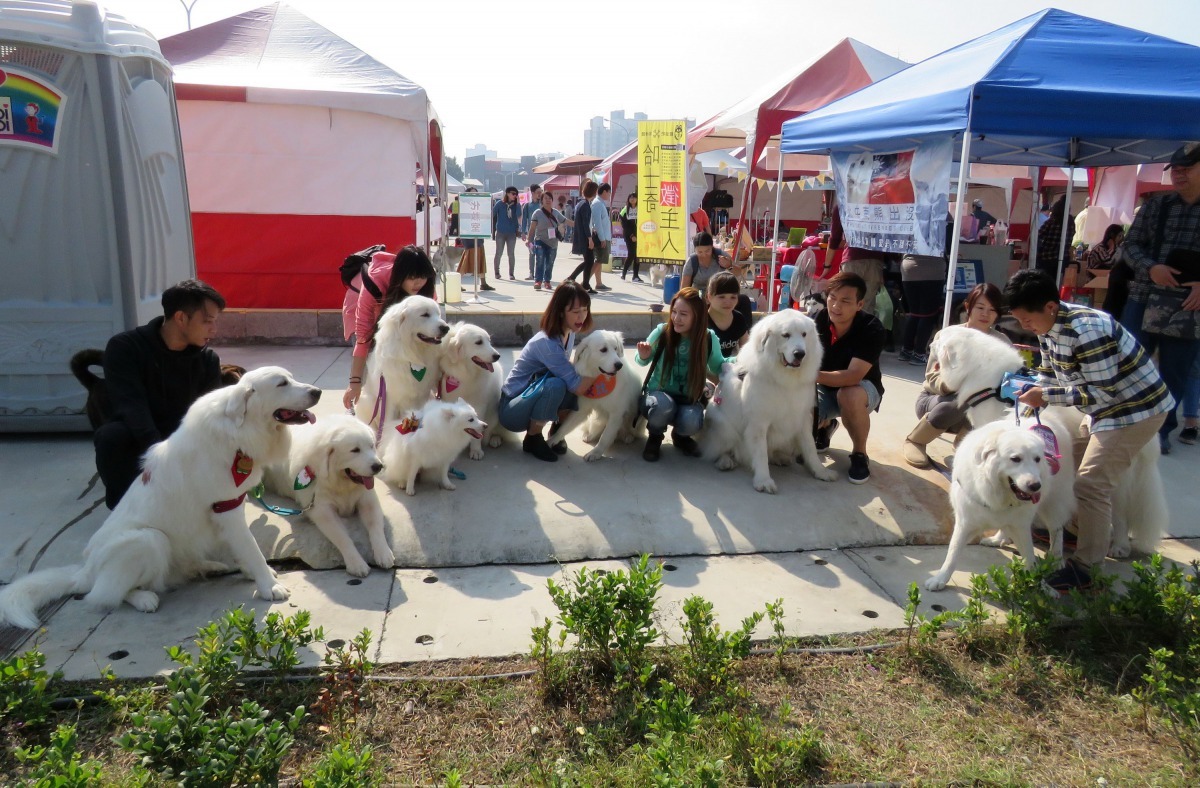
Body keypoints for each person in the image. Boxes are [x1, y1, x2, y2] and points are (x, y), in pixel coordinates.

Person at [1004, 269, 1173, 592]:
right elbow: (1048, 373)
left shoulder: (1087, 330)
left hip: (1134, 411)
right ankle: (1081, 530)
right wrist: (1031, 404)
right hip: (1102, 409)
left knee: (1091, 484)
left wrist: (1046, 396)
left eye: (1028, 320)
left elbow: (1102, 393)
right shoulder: (1048, 326)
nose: (1026, 328)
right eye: (1021, 321)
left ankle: (1087, 568)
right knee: (1072, 462)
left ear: (1051, 307)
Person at [94, 280, 226, 509]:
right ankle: (127, 509)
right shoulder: (125, 348)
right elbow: (130, 406)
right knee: (110, 437)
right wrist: (157, 455)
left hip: (184, 437)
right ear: (181, 318)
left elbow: (209, 416)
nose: (214, 330)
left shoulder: (207, 360)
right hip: (141, 433)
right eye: (207, 322)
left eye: (215, 322)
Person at [1118, 142, 1200, 454]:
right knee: (1128, 365)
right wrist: (1150, 268)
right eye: (1175, 170)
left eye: (1187, 169)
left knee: (1174, 375)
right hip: (1144, 296)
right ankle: (1122, 426)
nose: (1179, 175)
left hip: (1189, 306)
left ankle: (1159, 433)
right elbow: (1131, 244)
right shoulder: (1156, 206)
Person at [902, 283, 1011, 468]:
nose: (986, 314)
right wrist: (959, 381)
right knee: (965, 398)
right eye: (980, 307)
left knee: (995, 402)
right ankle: (916, 440)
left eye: (992, 310)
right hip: (936, 402)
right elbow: (932, 378)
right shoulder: (949, 336)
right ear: (968, 307)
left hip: (976, 408)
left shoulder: (1002, 342)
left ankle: (965, 447)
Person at [498, 282, 597, 462]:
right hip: (512, 409)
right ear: (560, 312)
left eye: (585, 309)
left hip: (531, 394)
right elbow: (578, 387)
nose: (581, 316)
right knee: (558, 384)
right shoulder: (547, 343)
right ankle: (533, 438)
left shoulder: (569, 332)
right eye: (575, 312)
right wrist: (602, 367)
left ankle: (557, 431)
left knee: (569, 375)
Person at [635, 287, 727, 461]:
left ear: (697, 316)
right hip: (658, 395)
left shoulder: (708, 338)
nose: (676, 318)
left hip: (687, 399)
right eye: (674, 312)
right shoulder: (662, 332)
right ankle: (655, 436)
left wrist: (743, 360)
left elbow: (718, 365)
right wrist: (643, 355)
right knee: (663, 405)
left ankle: (681, 436)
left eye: (683, 314)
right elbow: (641, 360)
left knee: (692, 420)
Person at [812, 271, 886, 484]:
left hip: (862, 389)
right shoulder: (818, 320)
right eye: (832, 298)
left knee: (849, 396)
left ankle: (860, 453)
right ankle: (825, 426)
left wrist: (810, 376)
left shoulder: (872, 328)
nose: (836, 306)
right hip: (824, 386)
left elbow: (853, 376)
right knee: (801, 413)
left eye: (845, 301)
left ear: (860, 304)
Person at [343, 245, 438, 410]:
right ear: (400, 275)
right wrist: (355, 382)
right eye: (412, 278)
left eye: (423, 277)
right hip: (365, 311)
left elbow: (433, 331)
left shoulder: (425, 288)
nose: (418, 283)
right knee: (371, 370)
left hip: (396, 313)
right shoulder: (374, 282)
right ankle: (360, 411)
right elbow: (363, 337)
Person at [898, 214, 953, 365]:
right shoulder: (943, 215)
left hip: (908, 267)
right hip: (932, 268)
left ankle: (906, 350)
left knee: (914, 312)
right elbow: (950, 243)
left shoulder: (910, 212)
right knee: (928, 314)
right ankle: (919, 353)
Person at [829, 204, 885, 315]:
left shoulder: (843, 204)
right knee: (866, 307)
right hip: (875, 260)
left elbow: (834, 238)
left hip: (852, 259)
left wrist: (827, 265)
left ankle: (848, 331)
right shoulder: (881, 203)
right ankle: (863, 331)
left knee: (845, 302)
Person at [526, 190, 572, 291]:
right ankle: (538, 281)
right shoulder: (537, 213)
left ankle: (547, 281)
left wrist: (579, 225)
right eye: (545, 198)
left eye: (549, 198)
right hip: (540, 240)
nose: (548, 200)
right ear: (541, 200)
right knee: (540, 261)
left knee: (550, 263)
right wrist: (528, 240)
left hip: (553, 243)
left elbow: (566, 221)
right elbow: (532, 228)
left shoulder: (556, 212)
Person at [706, 272, 750, 357]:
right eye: (721, 297)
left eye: (733, 297)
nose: (728, 302)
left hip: (728, 368)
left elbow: (747, 351)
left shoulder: (738, 319)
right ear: (709, 297)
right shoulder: (700, 320)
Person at [567, 181, 599, 293]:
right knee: (589, 261)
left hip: (580, 236)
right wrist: (590, 239)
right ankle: (572, 277)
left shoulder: (580, 203)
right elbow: (586, 223)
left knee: (589, 261)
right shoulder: (585, 205)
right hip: (585, 238)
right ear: (594, 192)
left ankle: (585, 283)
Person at [1035, 194, 1076, 280]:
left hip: (1047, 258)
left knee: (1045, 282)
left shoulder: (1051, 221)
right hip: (1063, 258)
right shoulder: (1070, 221)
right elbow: (1071, 236)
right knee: (1058, 282)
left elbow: (1038, 234)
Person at [492, 186, 521, 280]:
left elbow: (519, 215)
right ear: (507, 193)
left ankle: (511, 274)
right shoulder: (500, 203)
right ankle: (497, 272)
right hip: (500, 232)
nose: (515, 196)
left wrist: (519, 204)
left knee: (511, 254)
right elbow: (492, 214)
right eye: (513, 194)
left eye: (516, 194)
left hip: (511, 233)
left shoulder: (516, 205)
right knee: (498, 252)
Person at [590, 183, 613, 291]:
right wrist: (602, 238)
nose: (609, 194)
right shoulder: (597, 203)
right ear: (604, 191)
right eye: (609, 192)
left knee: (599, 260)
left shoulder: (600, 203)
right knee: (599, 260)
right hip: (601, 237)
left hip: (603, 236)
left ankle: (599, 283)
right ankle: (585, 281)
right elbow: (597, 223)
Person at [519, 185, 544, 281]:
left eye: (540, 191)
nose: (540, 194)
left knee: (542, 254)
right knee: (532, 253)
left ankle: (540, 274)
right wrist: (523, 232)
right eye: (538, 192)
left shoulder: (543, 205)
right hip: (531, 233)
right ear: (532, 193)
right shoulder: (527, 206)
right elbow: (524, 220)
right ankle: (531, 273)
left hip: (542, 233)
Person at [619, 193, 640, 282]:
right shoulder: (625, 210)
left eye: (634, 197)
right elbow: (624, 225)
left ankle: (635, 276)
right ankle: (623, 273)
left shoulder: (640, 209)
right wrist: (632, 235)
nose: (632, 199)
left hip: (640, 235)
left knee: (638, 256)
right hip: (629, 235)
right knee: (631, 254)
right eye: (630, 197)